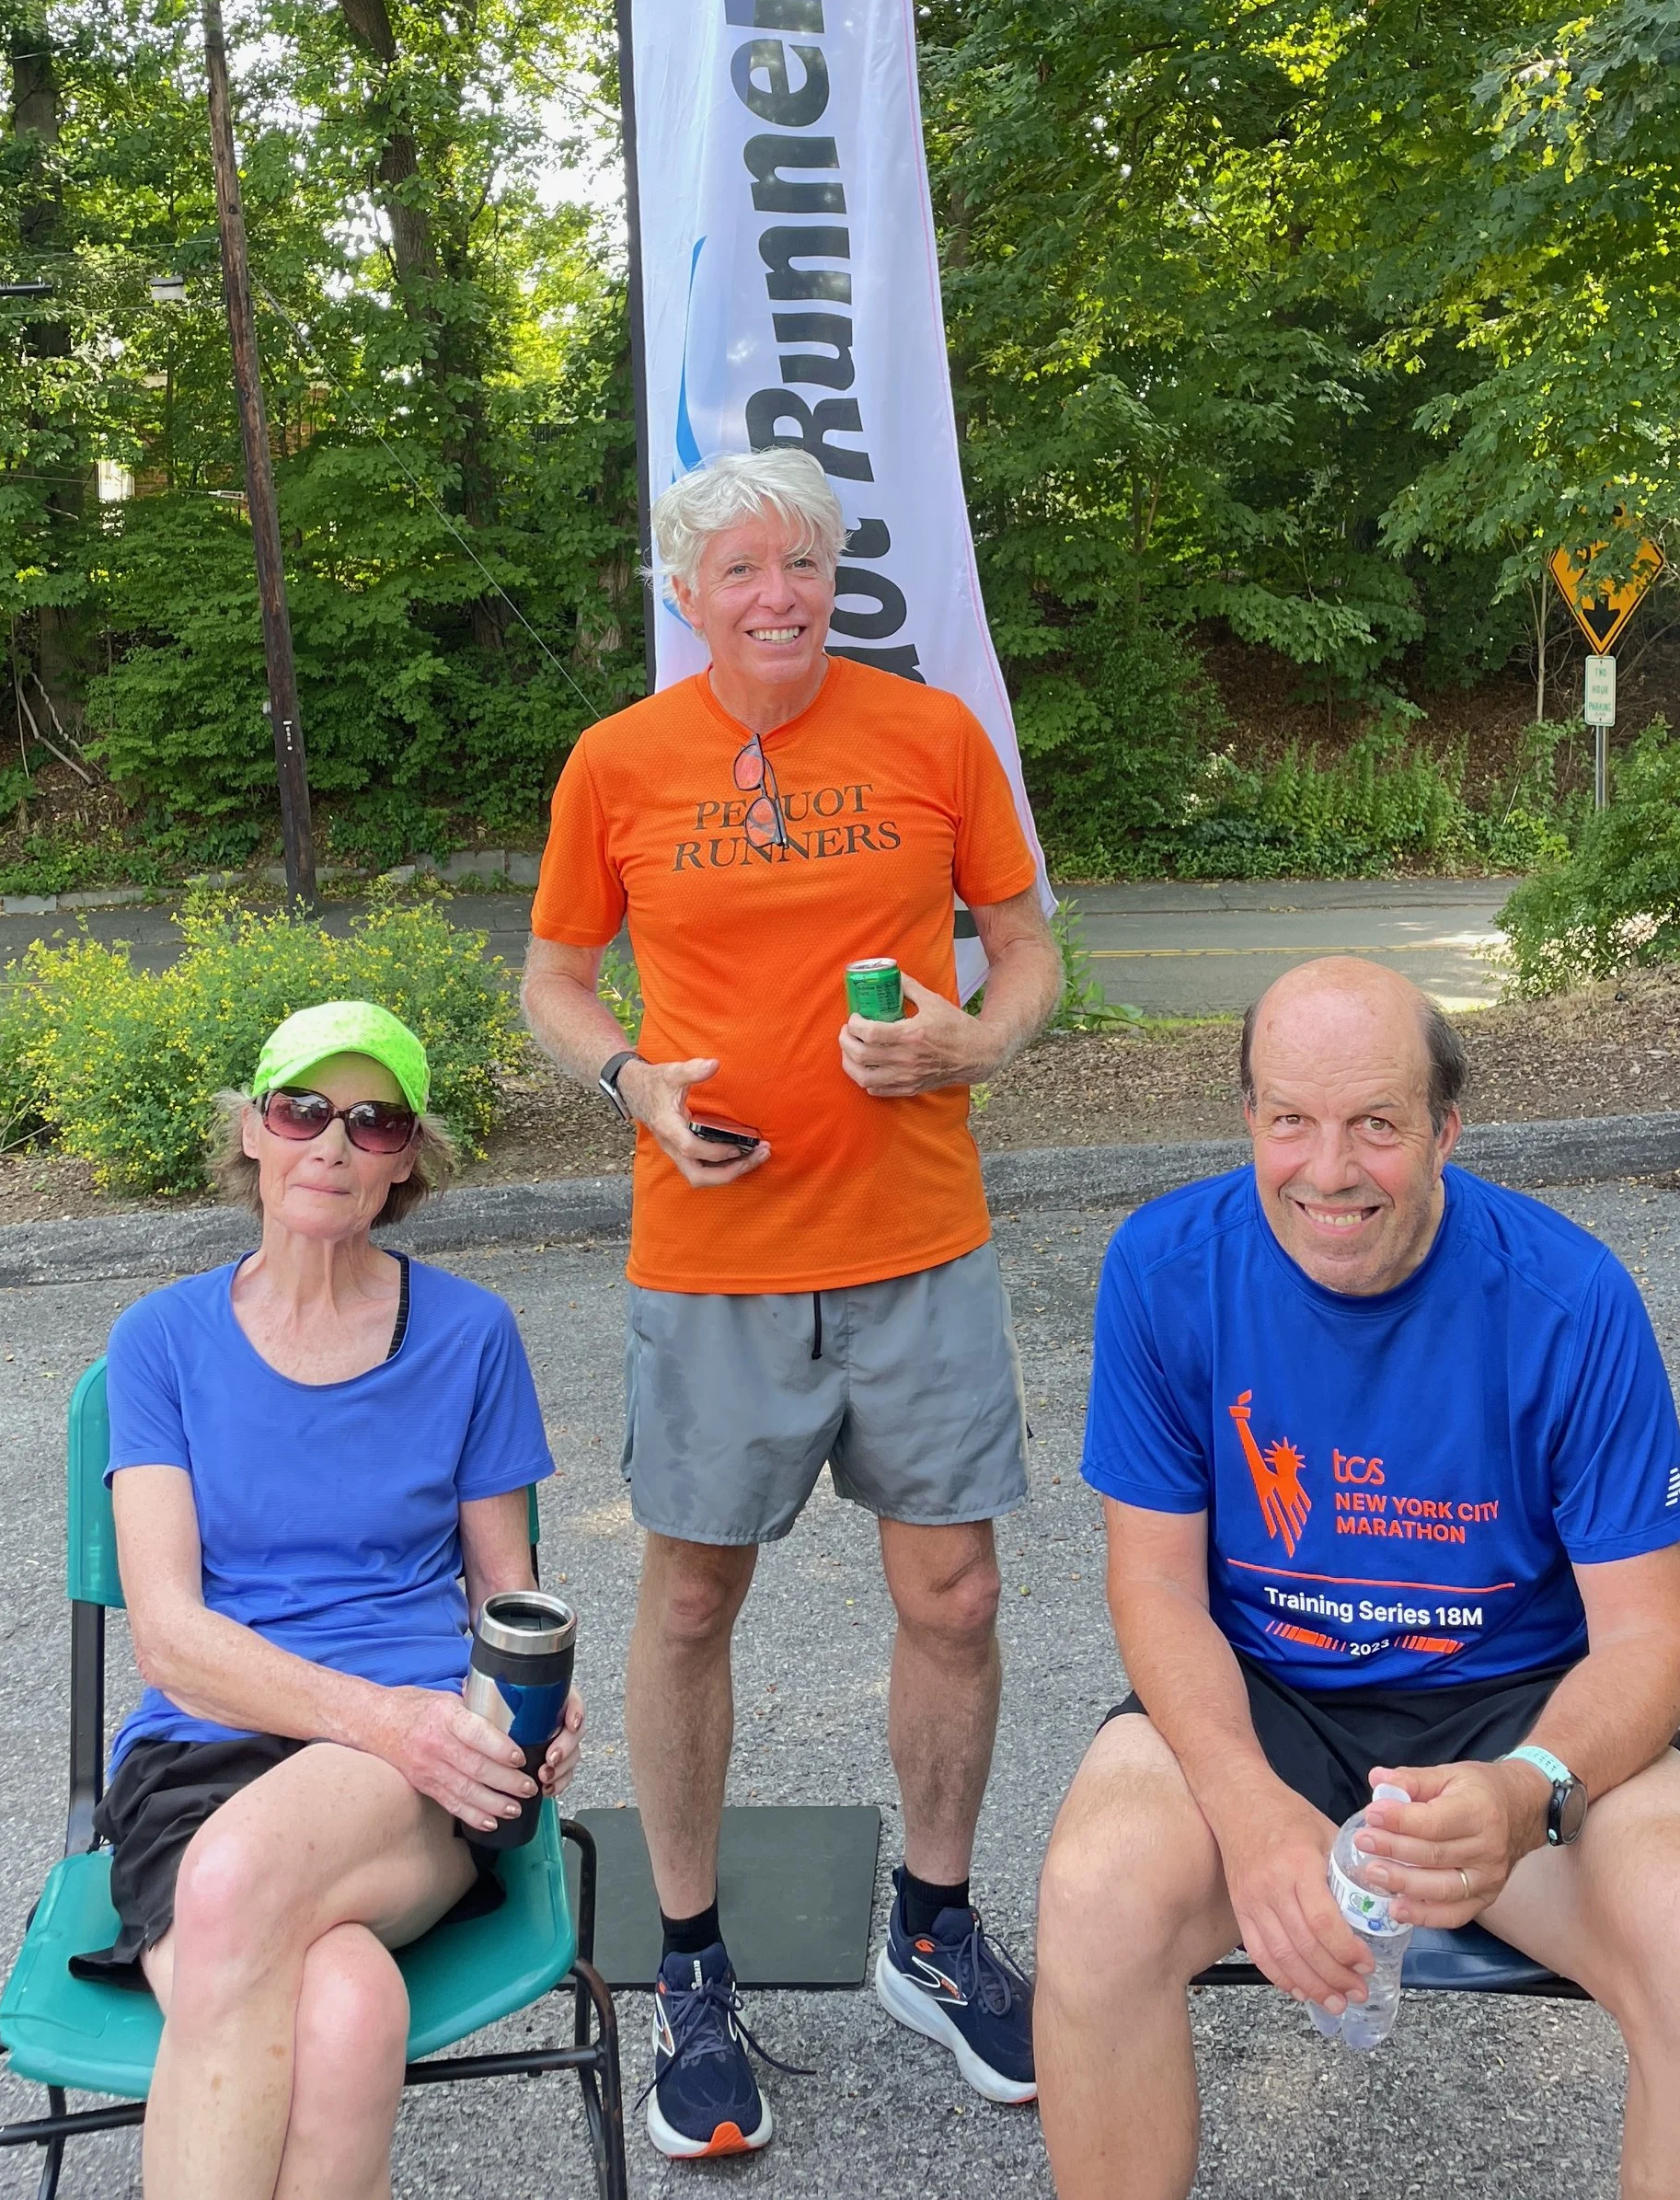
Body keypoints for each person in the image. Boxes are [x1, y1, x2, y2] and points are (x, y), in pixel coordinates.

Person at [1034, 955, 1680, 2200]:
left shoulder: (1571, 1298)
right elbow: (1158, 1590)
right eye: (1289, 1119)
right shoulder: (1164, 1267)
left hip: (1514, 1705)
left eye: (1376, 1126)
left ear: (1447, 1128)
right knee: (1091, 1900)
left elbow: (1653, 1641)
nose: (1328, 1171)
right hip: (1266, 1695)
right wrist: (1245, 1803)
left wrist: (1529, 1789)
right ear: (1247, 1116)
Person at [522, 445, 1062, 2157]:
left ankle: (933, 1923)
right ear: (686, 595)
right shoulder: (617, 762)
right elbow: (551, 976)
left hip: (919, 1240)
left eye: (805, 568)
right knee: (687, 1610)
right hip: (715, 1257)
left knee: (957, 1594)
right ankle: (691, 1962)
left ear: (839, 583)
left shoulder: (931, 736)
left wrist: (980, 1036)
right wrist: (635, 1085)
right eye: (743, 569)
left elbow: (1030, 942)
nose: (779, 597)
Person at [86, 999, 581, 2200]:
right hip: (207, 1755)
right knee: (349, 2012)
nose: (332, 1144)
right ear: (253, 1130)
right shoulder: (159, 1342)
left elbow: (506, 1597)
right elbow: (171, 1639)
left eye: (373, 1123)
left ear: (407, 1159)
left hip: (415, 1772)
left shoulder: (471, 1337)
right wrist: (382, 1717)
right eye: (303, 1109)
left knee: (233, 1885)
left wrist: (544, 1708)